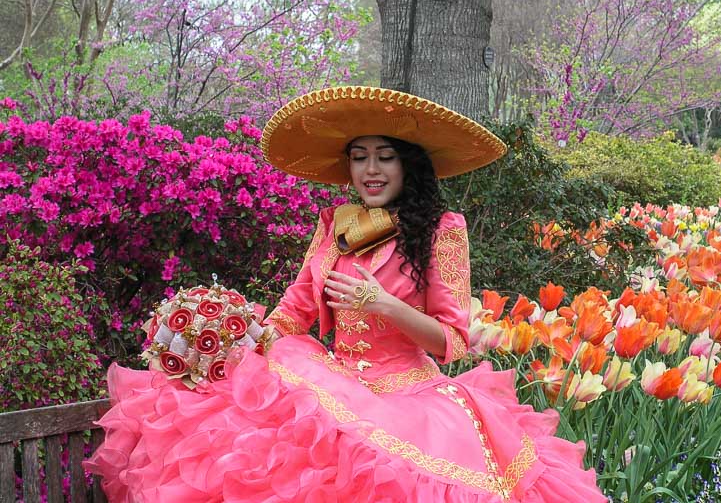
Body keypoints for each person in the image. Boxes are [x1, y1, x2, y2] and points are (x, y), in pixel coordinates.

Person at [86, 86, 605, 502]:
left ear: (408, 165)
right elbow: (295, 309)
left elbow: (453, 341)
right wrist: (232, 334)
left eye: (385, 157)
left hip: (411, 396)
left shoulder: (443, 228)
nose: (371, 170)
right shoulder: (335, 223)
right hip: (331, 385)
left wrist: (384, 303)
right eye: (359, 158)